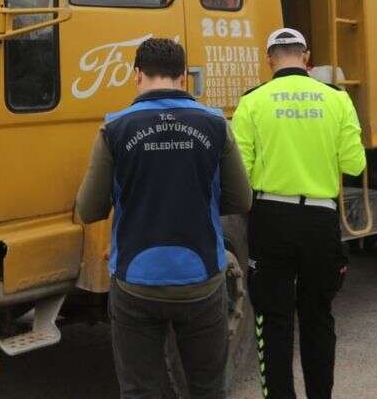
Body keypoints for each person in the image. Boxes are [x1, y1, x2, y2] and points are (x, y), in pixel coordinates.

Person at [75, 38, 252, 399]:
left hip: (135, 283)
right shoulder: (215, 124)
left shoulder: (114, 129)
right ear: (183, 76)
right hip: (202, 281)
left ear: (137, 75)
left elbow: (89, 208)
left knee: (140, 391)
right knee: (208, 390)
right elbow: (241, 199)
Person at [231, 28, 366, 399]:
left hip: (270, 217)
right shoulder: (337, 99)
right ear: (307, 57)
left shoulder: (252, 101)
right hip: (320, 220)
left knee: (272, 319)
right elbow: (354, 164)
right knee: (318, 316)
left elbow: (240, 173)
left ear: (269, 59)